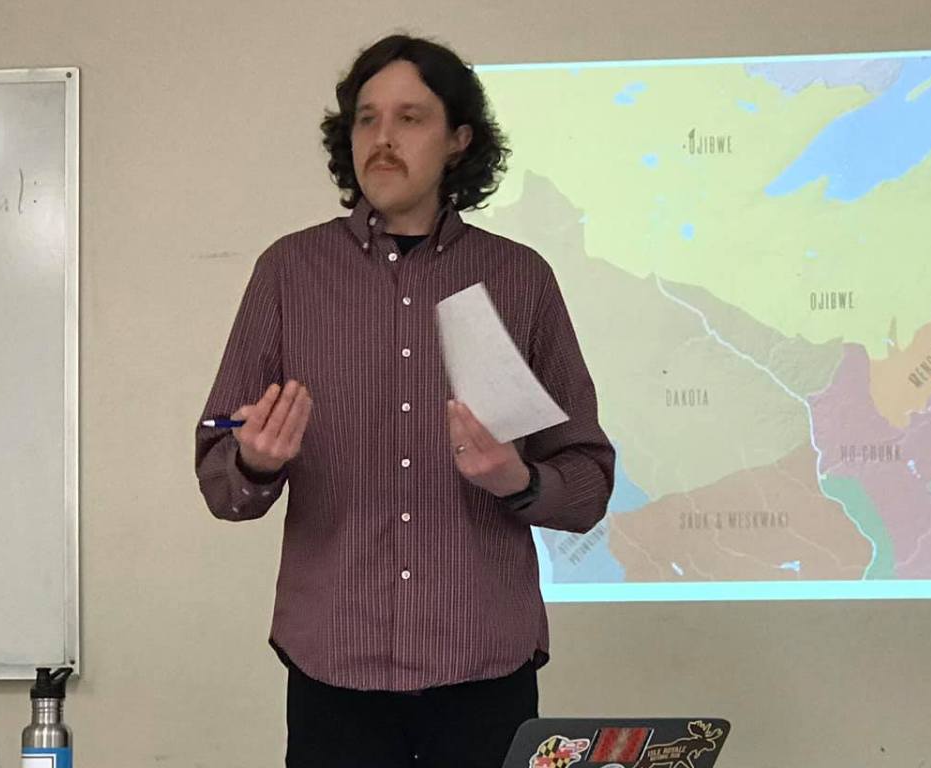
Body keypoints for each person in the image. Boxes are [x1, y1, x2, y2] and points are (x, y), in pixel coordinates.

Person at [194, 32, 617, 768]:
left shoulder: (520, 280)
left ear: (458, 140)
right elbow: (218, 478)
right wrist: (254, 462)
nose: (382, 139)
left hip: (484, 668)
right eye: (367, 119)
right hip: (334, 671)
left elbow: (588, 484)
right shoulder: (289, 272)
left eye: (410, 118)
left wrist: (518, 481)